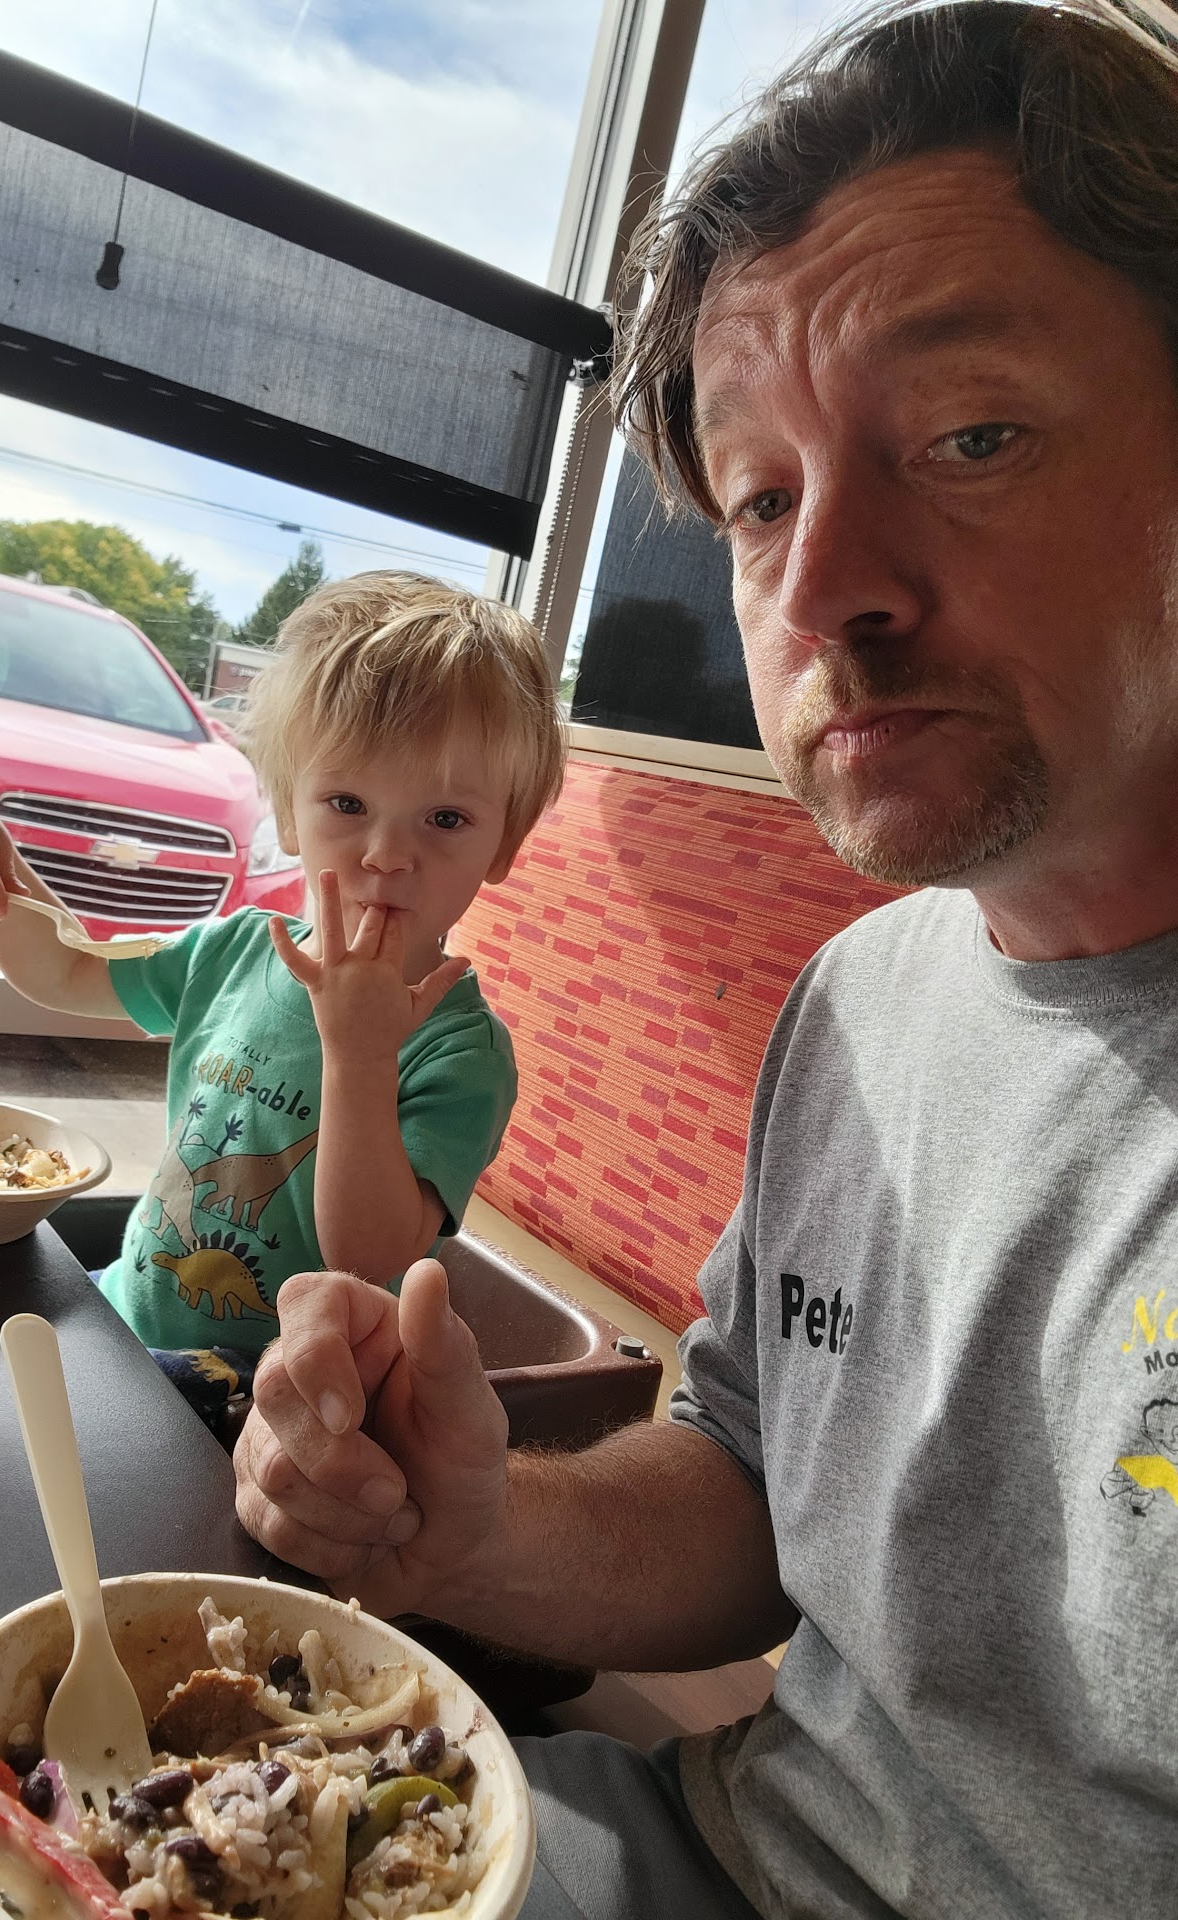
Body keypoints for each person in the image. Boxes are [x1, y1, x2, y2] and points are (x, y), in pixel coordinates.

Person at [230, 4, 1178, 1915]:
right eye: (762, 498)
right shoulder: (865, 1001)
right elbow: (749, 1492)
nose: (821, 587)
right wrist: (464, 1523)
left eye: (970, 436)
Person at [0, 572, 565, 1418]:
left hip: (274, 1392)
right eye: (348, 803)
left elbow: (367, 1256)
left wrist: (360, 1052)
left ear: (503, 846)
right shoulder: (236, 950)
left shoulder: (460, 1051)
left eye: (445, 819)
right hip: (129, 1308)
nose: (386, 854)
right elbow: (64, 973)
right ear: (289, 815)